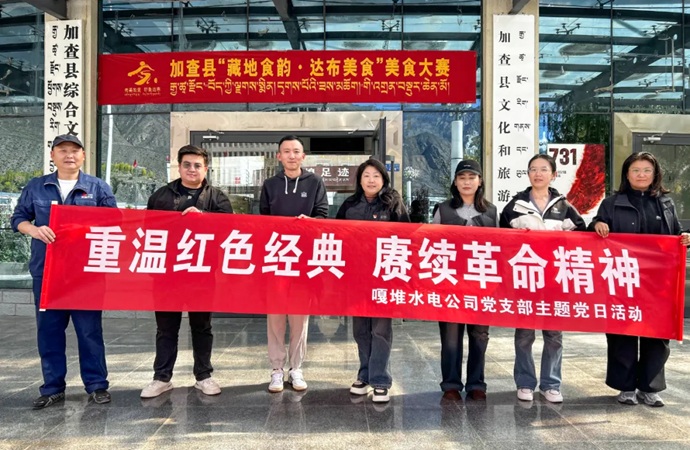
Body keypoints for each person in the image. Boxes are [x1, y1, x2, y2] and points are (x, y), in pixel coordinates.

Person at [11, 134, 116, 409]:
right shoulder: (37, 187)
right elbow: (18, 218)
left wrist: (87, 228)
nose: (69, 155)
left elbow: (114, 221)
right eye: (63, 150)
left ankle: (97, 385)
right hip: (48, 273)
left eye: (74, 150)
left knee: (89, 331)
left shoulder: (98, 187)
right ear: (53, 155)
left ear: (83, 156)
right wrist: (34, 230)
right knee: (49, 331)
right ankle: (53, 387)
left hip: (86, 274)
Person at [590, 151, 690, 407]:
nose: (641, 175)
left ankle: (649, 387)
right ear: (627, 174)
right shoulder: (612, 203)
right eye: (635, 170)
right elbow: (595, 229)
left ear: (655, 174)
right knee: (622, 334)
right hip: (623, 280)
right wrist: (598, 225)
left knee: (657, 335)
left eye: (647, 170)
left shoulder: (665, 203)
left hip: (658, 283)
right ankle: (625, 387)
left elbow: (676, 235)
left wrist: (684, 239)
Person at [140, 145, 233, 399]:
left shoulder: (218, 198)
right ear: (179, 167)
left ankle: (204, 376)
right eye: (187, 165)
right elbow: (149, 231)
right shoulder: (160, 196)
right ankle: (161, 378)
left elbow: (229, 230)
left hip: (202, 274)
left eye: (197, 165)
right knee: (166, 328)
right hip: (167, 274)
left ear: (206, 168)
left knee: (202, 327)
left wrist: (203, 217)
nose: (192, 169)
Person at [499, 153, 586, 404]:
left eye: (544, 169)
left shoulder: (564, 207)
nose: (538, 174)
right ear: (528, 174)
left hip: (555, 280)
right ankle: (525, 383)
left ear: (553, 174)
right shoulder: (515, 206)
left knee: (554, 335)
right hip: (526, 278)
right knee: (524, 334)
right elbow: (501, 241)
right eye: (533, 169)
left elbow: (582, 237)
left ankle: (551, 384)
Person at [336, 158, 410, 403]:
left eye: (376, 176)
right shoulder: (349, 205)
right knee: (360, 329)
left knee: (380, 329)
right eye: (366, 175)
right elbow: (334, 235)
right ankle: (364, 375)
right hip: (356, 277)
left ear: (383, 179)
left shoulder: (393, 202)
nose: (371, 180)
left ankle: (380, 379)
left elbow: (406, 236)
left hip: (384, 276)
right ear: (360, 180)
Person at [259, 135, 328, 393]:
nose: (291, 155)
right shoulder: (270, 185)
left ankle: (296, 368)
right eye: (286, 151)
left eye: (296, 151)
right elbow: (262, 219)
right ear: (279, 156)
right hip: (277, 257)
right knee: (275, 316)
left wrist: (309, 223)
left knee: (299, 317)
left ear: (303, 156)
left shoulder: (315, 182)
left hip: (304, 259)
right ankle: (277, 369)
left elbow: (322, 215)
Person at [433, 159, 497, 401]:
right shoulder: (443, 210)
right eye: (462, 178)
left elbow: (501, 247)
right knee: (451, 337)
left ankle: (476, 384)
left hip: (481, 283)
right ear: (455, 182)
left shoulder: (491, 212)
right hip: (450, 282)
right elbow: (432, 245)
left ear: (480, 181)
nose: (467, 182)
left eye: (472, 177)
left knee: (479, 336)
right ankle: (451, 384)